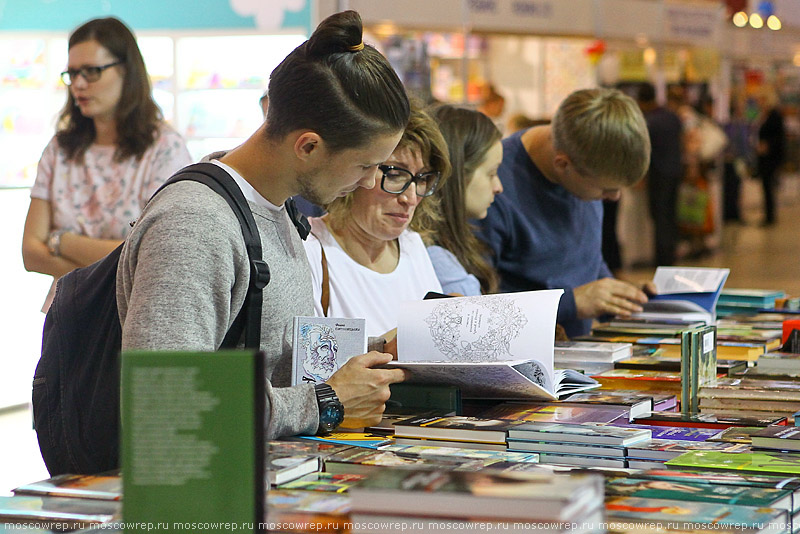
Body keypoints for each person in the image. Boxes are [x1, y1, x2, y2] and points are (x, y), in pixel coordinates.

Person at [116, 10, 411, 437]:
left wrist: (380, 353)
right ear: (308, 146)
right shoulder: (195, 225)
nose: (368, 182)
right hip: (201, 493)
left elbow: (273, 357)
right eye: (364, 165)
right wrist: (326, 402)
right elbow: (166, 401)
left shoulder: (276, 209)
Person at [21, 17, 192, 311]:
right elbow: (30, 253)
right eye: (72, 74)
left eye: (92, 71)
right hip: (67, 319)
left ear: (127, 70)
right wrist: (117, 255)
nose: (79, 84)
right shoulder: (60, 149)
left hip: (133, 318)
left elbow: (154, 255)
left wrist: (61, 240)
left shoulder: (165, 148)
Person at [477, 88, 652, 338]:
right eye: (606, 189)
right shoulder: (491, 188)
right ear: (563, 164)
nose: (614, 197)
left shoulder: (586, 166)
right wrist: (570, 304)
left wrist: (621, 299)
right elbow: (473, 309)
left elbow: (584, 257)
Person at [303, 104, 450, 337]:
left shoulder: (411, 244)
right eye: (394, 174)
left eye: (422, 178)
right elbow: (313, 368)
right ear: (359, 171)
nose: (410, 198)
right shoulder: (310, 249)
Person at [427, 105, 502, 296]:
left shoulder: (449, 245)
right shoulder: (436, 258)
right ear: (458, 174)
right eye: (491, 173)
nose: (498, 187)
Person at [637, 82, 684, 267]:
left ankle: (662, 258)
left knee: (659, 217)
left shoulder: (649, 122)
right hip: (675, 172)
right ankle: (671, 255)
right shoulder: (672, 117)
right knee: (671, 215)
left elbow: (645, 152)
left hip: (658, 175)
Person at [756, 88, 786, 226]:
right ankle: (768, 215)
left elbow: (779, 138)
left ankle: (770, 217)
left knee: (769, 187)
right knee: (766, 187)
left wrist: (767, 145)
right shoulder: (766, 115)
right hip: (765, 157)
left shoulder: (775, 115)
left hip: (771, 158)